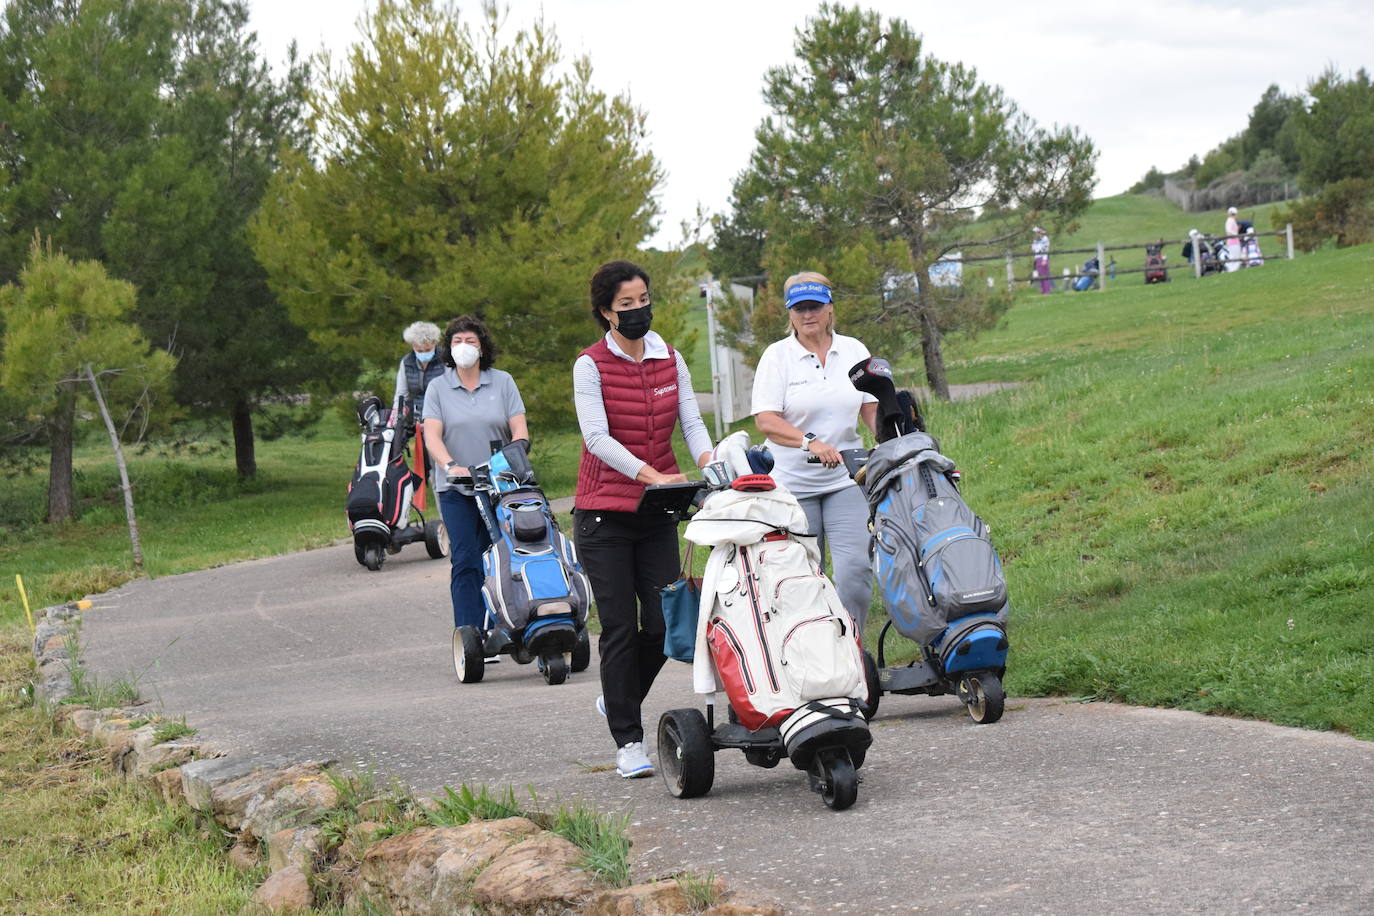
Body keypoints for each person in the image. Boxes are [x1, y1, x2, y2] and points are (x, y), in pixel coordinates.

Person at [573, 259, 713, 779]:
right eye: (625, 304)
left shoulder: (669, 358)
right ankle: (628, 741)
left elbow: (692, 422)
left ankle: (618, 696)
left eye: (643, 300)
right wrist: (652, 473)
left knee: (662, 623)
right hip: (604, 515)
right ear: (607, 312)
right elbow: (597, 437)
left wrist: (711, 468)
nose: (638, 310)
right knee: (618, 628)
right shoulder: (589, 365)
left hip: (658, 510)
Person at [751, 271, 878, 633]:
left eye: (815, 307)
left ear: (830, 309)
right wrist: (811, 442)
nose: (808, 315)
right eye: (800, 308)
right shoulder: (778, 357)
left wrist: (893, 437)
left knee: (855, 570)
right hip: (793, 485)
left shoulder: (853, 349)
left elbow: (869, 405)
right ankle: (810, 654)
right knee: (804, 579)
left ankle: (851, 649)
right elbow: (766, 420)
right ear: (790, 313)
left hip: (845, 479)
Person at [422, 316, 527, 633]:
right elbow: (432, 436)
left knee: (501, 557)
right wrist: (451, 465)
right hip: (457, 489)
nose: (463, 347)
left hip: (500, 486)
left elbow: (519, 428)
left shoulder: (503, 381)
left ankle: (507, 624)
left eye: (470, 341)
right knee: (466, 559)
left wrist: (516, 453)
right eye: (457, 342)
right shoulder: (438, 388)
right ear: (448, 348)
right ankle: (471, 634)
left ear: (482, 348)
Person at [393, 321, 445, 420]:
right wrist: (396, 419)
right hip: (417, 416)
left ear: (435, 343)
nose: (424, 353)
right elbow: (401, 395)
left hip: (442, 414)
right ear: (413, 346)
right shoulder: (406, 362)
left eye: (428, 350)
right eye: (420, 351)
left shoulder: (446, 359)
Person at [1031, 226, 1052, 293]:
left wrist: (1044, 260)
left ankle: (1047, 290)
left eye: (1036, 232)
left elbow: (1045, 250)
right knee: (1040, 274)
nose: (1035, 234)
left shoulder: (1045, 239)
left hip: (1042, 258)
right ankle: (1043, 289)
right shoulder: (1036, 240)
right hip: (1037, 258)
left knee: (1044, 275)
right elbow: (1033, 249)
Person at [1224, 206, 1242, 272]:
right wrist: (1236, 235)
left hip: (1234, 241)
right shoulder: (1230, 220)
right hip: (1233, 241)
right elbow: (1229, 230)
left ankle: (1231, 269)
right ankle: (1232, 269)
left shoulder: (1231, 220)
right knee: (1235, 256)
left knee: (1235, 256)